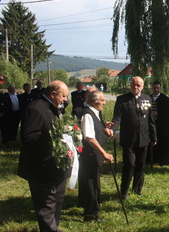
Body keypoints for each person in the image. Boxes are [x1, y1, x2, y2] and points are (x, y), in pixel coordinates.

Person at [17, 80, 70, 232]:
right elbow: (29, 139)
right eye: (64, 96)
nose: (66, 99)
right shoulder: (35, 109)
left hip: (57, 166)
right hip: (41, 168)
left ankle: (55, 227)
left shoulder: (56, 108)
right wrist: (55, 145)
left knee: (57, 201)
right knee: (46, 205)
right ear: (52, 94)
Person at [110, 76, 157, 198]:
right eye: (133, 84)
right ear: (130, 85)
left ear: (143, 86)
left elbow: (151, 120)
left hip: (143, 139)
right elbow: (117, 118)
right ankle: (124, 191)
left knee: (141, 165)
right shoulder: (122, 99)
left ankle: (137, 190)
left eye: (138, 85)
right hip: (128, 139)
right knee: (130, 164)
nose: (135, 87)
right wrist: (112, 130)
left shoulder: (147, 99)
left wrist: (154, 136)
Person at [78, 90, 113, 222]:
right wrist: (104, 153)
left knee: (95, 183)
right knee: (91, 184)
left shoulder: (95, 113)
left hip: (95, 156)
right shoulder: (87, 114)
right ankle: (90, 215)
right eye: (102, 100)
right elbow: (89, 137)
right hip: (90, 155)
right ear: (94, 102)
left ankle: (95, 210)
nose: (104, 102)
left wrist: (104, 130)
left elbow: (95, 130)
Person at [149, 81, 169, 166]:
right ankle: (152, 159)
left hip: (162, 125)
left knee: (163, 142)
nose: (156, 89)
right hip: (152, 125)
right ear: (152, 88)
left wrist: (158, 114)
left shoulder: (165, 99)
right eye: (154, 88)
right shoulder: (148, 98)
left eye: (157, 88)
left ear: (160, 88)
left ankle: (163, 161)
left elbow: (168, 114)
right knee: (152, 141)